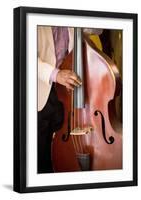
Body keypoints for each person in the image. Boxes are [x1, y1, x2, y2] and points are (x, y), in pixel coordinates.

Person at [37, 26, 102, 173]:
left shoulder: (71, 19)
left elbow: (98, 30)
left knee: (61, 145)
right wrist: (56, 75)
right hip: (39, 91)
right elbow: (23, 55)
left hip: (67, 92)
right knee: (39, 151)